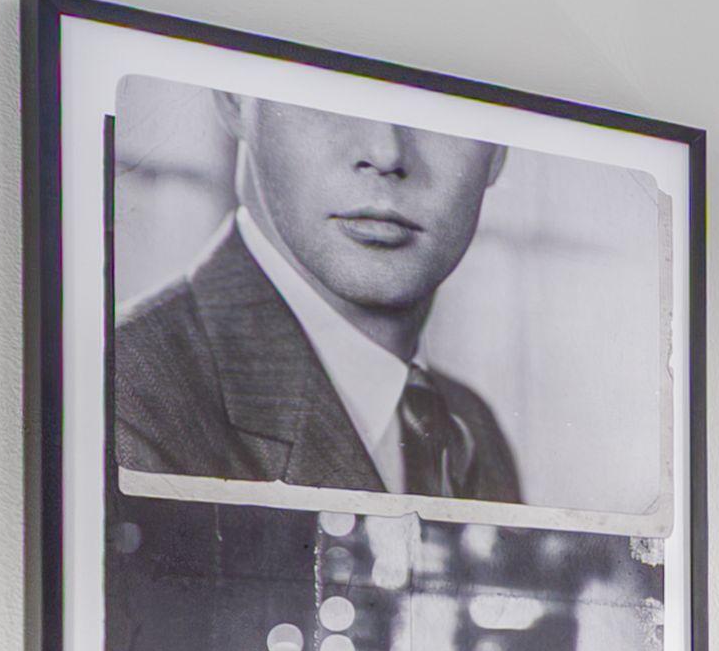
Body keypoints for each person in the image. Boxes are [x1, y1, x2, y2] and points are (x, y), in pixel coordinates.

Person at [112, 100, 524, 501]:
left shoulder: (471, 429)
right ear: (235, 101)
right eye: (331, 92)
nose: (387, 153)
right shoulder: (122, 397)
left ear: (498, 151)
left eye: (443, 102)